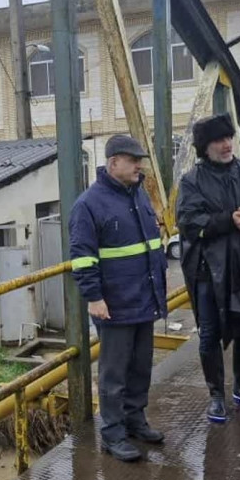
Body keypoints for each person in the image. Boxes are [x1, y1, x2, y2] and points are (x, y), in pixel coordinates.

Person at [69, 135, 168, 462]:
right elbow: (82, 258)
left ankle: (135, 421)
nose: (140, 165)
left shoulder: (137, 195)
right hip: (114, 305)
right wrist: (94, 298)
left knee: (141, 368)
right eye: (133, 160)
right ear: (114, 164)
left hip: (143, 300)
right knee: (113, 375)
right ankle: (112, 434)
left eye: (140, 159)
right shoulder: (88, 204)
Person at [177, 114, 240, 423]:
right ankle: (215, 395)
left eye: (228, 138)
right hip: (208, 270)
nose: (226, 145)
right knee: (209, 333)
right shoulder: (191, 181)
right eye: (218, 140)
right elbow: (186, 221)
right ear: (204, 147)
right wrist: (227, 221)